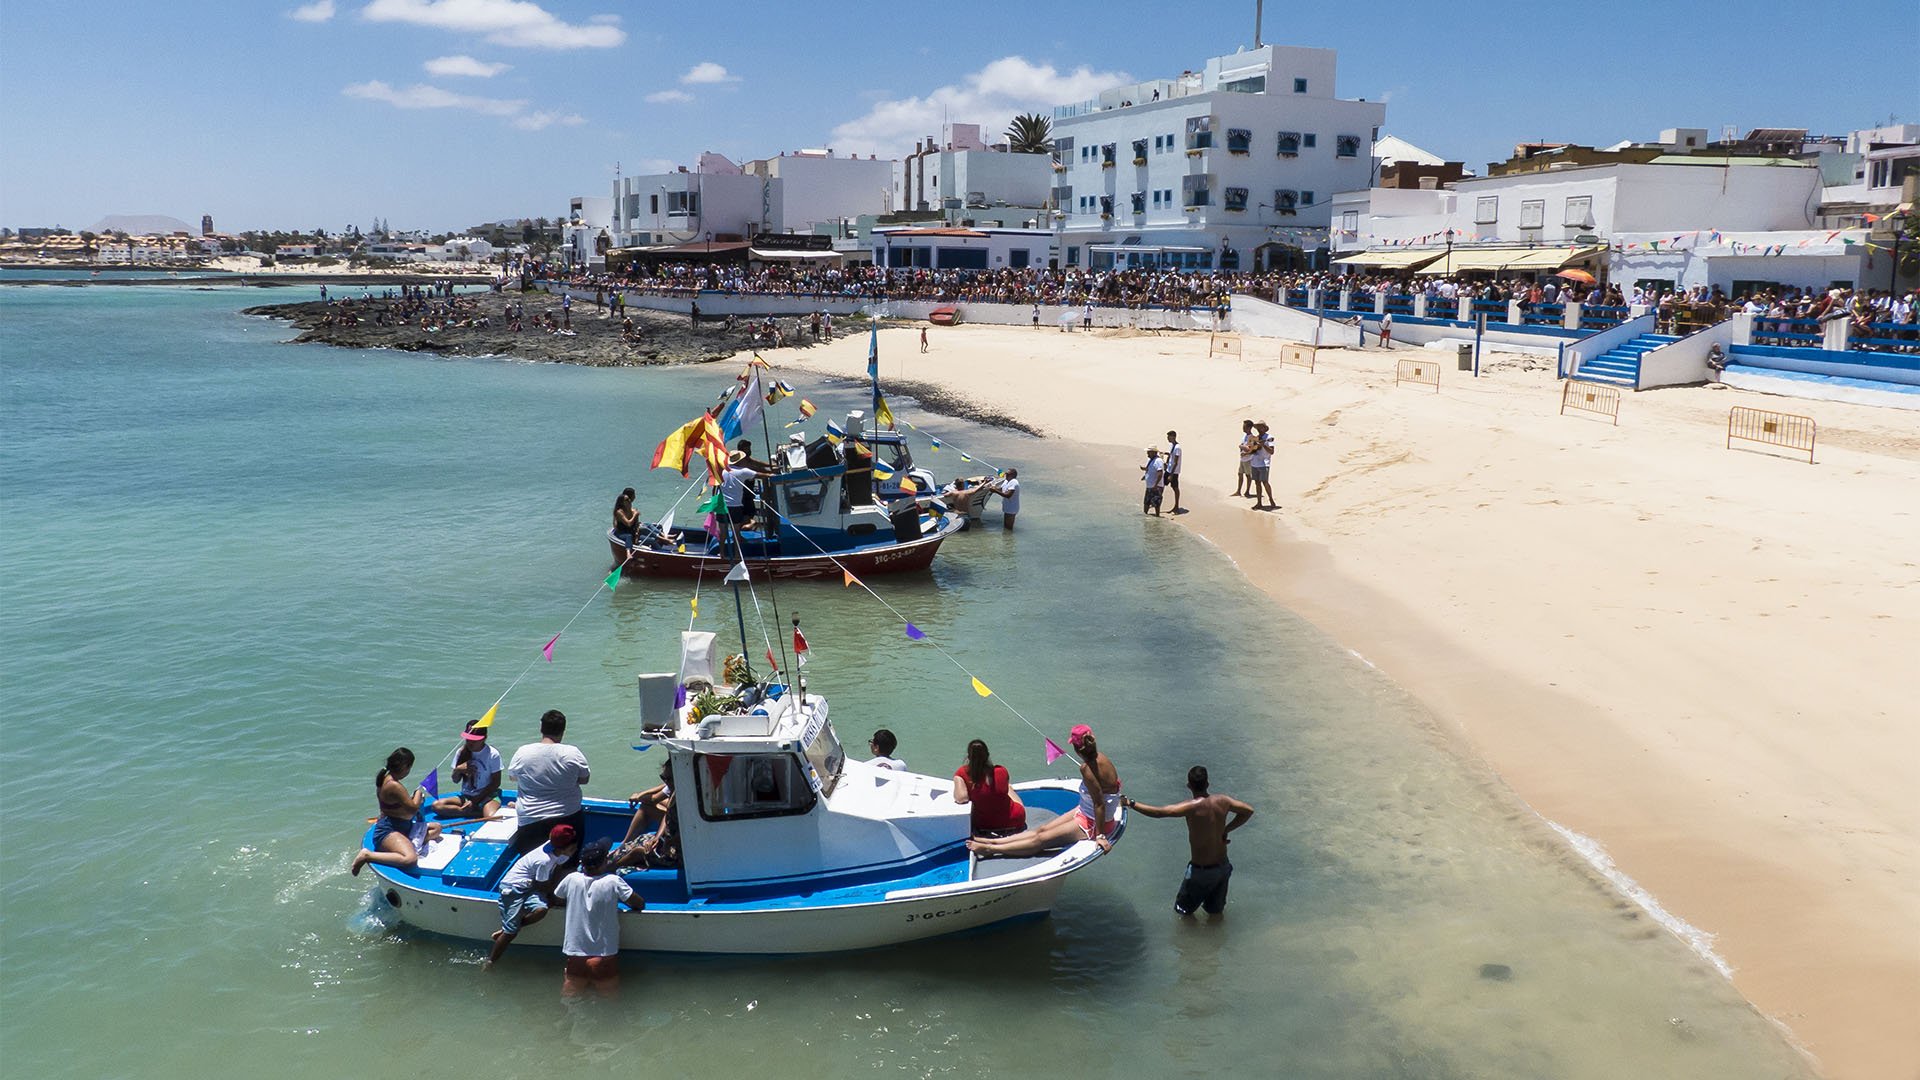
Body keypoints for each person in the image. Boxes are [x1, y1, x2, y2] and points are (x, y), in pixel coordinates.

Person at [967, 724, 1120, 857]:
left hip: (1093, 824)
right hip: (1085, 812)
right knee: (1042, 829)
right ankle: (992, 841)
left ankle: (990, 849)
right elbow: (1110, 791)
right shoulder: (1102, 758)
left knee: (1041, 840)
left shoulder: (1086, 769)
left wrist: (1100, 836)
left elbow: (1100, 803)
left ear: (1076, 748)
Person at [1122, 766, 1254, 917]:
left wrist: (1131, 803)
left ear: (1188, 785)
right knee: (1215, 913)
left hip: (1201, 871)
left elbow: (1159, 812)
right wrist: (1226, 829)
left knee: (1182, 913)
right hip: (1222, 868)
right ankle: (1215, 940)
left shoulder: (1191, 807)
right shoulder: (1224, 801)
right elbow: (1248, 811)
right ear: (1208, 784)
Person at [554, 839, 642, 998]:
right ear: (605, 862)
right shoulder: (613, 881)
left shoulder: (571, 879)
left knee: (569, 1001)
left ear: (582, 863)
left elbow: (557, 899)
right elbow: (638, 903)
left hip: (575, 958)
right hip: (603, 958)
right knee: (609, 1009)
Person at [485, 823, 579, 969]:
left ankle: (512, 926)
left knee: (541, 911)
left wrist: (554, 891)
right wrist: (555, 897)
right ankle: (491, 961)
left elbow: (558, 868)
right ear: (561, 849)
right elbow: (543, 885)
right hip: (513, 888)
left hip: (531, 885)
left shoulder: (557, 851)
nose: (575, 850)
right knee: (511, 933)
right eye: (572, 848)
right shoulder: (544, 860)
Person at [507, 710, 590, 861]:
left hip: (531, 820)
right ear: (563, 730)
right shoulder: (572, 753)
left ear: (541, 729)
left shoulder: (523, 752)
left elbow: (513, 778)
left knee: (532, 863)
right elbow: (584, 779)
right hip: (567, 817)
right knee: (567, 864)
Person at [351, 747, 443, 876]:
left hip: (404, 828)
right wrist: (418, 794)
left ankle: (404, 844)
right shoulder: (393, 785)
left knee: (437, 828)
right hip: (389, 831)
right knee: (410, 859)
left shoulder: (387, 779)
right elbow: (412, 809)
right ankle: (368, 855)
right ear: (405, 767)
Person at [610, 760, 678, 871]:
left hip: (676, 853)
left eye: (668, 779)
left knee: (637, 851)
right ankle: (622, 846)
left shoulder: (681, 797)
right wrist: (657, 838)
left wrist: (665, 842)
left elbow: (655, 799)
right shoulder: (674, 791)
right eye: (663, 778)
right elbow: (668, 815)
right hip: (670, 840)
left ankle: (607, 869)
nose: (666, 782)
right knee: (646, 807)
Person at [952, 739, 1026, 836]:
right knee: (1008, 790)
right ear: (987, 755)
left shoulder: (962, 773)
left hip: (985, 825)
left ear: (968, 757)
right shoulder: (1001, 771)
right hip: (1015, 819)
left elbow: (962, 798)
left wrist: (957, 781)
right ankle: (1010, 788)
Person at [431, 720, 502, 819]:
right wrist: (458, 770)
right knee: (436, 806)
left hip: (487, 796)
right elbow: (455, 780)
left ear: (484, 739)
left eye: (474, 740)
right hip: (467, 796)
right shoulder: (461, 752)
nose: (470, 743)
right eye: (468, 739)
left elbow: (496, 783)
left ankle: (475, 811)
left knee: (490, 818)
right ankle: (475, 813)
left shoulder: (493, 754)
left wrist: (474, 802)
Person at [1249, 421, 1277, 511]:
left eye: (1261, 427)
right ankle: (1259, 502)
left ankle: (1271, 500)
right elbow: (1251, 450)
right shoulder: (1255, 438)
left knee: (1265, 482)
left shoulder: (1269, 438)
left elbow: (1272, 452)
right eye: (1258, 428)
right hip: (1254, 462)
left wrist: (1263, 445)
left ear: (1265, 428)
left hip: (1264, 463)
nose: (1259, 429)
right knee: (1257, 483)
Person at [1141, 446, 1166, 516]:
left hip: (1156, 486)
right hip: (1149, 486)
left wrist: (1156, 484)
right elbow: (1150, 469)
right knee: (1146, 502)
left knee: (1156, 503)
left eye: (1149, 452)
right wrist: (1145, 476)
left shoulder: (1158, 461)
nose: (1147, 454)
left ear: (1154, 452)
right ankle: (1145, 516)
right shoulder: (1150, 459)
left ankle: (1157, 516)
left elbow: (1160, 473)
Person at [1233, 419, 1255, 498]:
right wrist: (1242, 447)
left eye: (1244, 426)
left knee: (1248, 475)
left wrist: (1242, 447)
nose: (1243, 428)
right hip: (1242, 459)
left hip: (1248, 459)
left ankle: (1247, 491)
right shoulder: (1245, 436)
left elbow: (1249, 449)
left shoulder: (1252, 437)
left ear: (1249, 428)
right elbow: (1244, 446)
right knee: (1240, 474)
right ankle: (1238, 491)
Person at [1164, 430, 1183, 513]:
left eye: (1169, 437)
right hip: (1169, 469)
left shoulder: (1178, 448)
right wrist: (1167, 462)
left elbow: (1175, 462)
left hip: (1174, 472)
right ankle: (1156, 502)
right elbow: (1170, 455)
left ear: (1173, 437)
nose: (1167, 438)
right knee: (1161, 485)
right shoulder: (1172, 445)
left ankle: (1176, 506)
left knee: (1175, 488)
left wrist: (1171, 475)